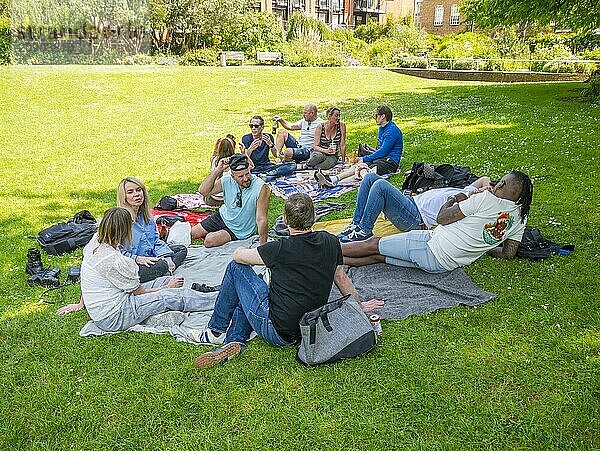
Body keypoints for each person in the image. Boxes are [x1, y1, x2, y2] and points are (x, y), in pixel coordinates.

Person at [189, 193, 384, 369]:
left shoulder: (279, 248)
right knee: (245, 293)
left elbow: (239, 258)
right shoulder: (330, 241)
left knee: (236, 270)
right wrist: (357, 306)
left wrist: (241, 250)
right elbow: (342, 278)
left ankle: (215, 331)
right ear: (314, 217)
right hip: (311, 327)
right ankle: (235, 340)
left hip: (278, 331)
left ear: (284, 220)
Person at [342, 171, 533, 273]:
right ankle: (334, 260)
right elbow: (508, 254)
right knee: (378, 257)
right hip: (445, 264)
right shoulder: (520, 217)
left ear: (510, 190)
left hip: (431, 247)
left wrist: (451, 201)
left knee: (373, 244)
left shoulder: (486, 200)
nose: (497, 184)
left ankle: (324, 249)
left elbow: (442, 218)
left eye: (502, 183)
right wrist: (482, 246)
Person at [79, 207, 215, 332]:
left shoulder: (95, 242)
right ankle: (219, 300)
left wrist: (167, 283)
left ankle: (203, 293)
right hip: (114, 316)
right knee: (170, 296)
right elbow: (140, 293)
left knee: (167, 280)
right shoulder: (115, 261)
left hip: (114, 300)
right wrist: (167, 288)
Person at [338, 174, 493, 242]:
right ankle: (356, 224)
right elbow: (484, 179)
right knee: (369, 178)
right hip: (411, 202)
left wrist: (479, 196)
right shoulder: (470, 190)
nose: (485, 189)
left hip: (415, 217)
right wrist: (485, 188)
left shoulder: (470, 203)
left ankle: (364, 231)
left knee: (380, 186)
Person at [190, 154, 270, 247]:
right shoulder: (227, 180)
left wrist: (263, 246)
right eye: (240, 176)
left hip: (240, 229)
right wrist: (218, 170)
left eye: (247, 173)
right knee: (192, 233)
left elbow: (261, 219)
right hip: (222, 216)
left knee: (209, 241)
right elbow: (203, 191)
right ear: (233, 176)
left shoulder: (261, 187)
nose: (246, 178)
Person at [117, 177, 188, 283]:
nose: (137, 194)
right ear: (124, 197)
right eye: (130, 192)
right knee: (162, 265)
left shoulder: (147, 216)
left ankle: (163, 268)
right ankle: (163, 269)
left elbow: (155, 241)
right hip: (130, 264)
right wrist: (137, 259)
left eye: (138, 190)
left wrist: (165, 255)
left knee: (181, 249)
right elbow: (115, 252)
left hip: (150, 257)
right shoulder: (120, 220)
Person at [314, 105, 402, 188]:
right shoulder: (382, 128)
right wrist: (365, 159)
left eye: (376, 115)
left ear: (383, 116)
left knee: (364, 171)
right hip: (381, 158)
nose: (375, 118)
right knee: (359, 165)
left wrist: (365, 158)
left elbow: (383, 151)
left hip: (389, 162)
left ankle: (334, 184)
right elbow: (379, 150)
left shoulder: (391, 131)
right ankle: (333, 179)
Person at [241, 115, 295, 181]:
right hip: (254, 168)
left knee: (292, 165)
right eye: (251, 126)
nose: (253, 128)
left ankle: (268, 175)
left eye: (256, 126)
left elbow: (276, 155)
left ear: (262, 127)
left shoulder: (268, 137)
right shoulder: (246, 138)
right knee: (247, 173)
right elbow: (245, 157)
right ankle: (269, 175)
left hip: (267, 166)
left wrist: (271, 145)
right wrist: (251, 148)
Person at [298, 106, 346, 171]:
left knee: (324, 166)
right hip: (319, 152)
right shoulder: (320, 127)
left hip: (332, 155)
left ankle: (311, 165)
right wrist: (325, 150)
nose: (338, 118)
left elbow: (342, 144)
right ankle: (306, 165)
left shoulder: (341, 126)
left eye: (339, 116)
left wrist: (343, 161)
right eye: (336, 116)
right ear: (329, 116)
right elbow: (315, 146)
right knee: (318, 157)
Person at [202, 135, 237, 207]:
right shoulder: (235, 163)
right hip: (227, 200)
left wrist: (216, 147)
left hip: (211, 200)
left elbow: (213, 156)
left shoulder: (214, 160)